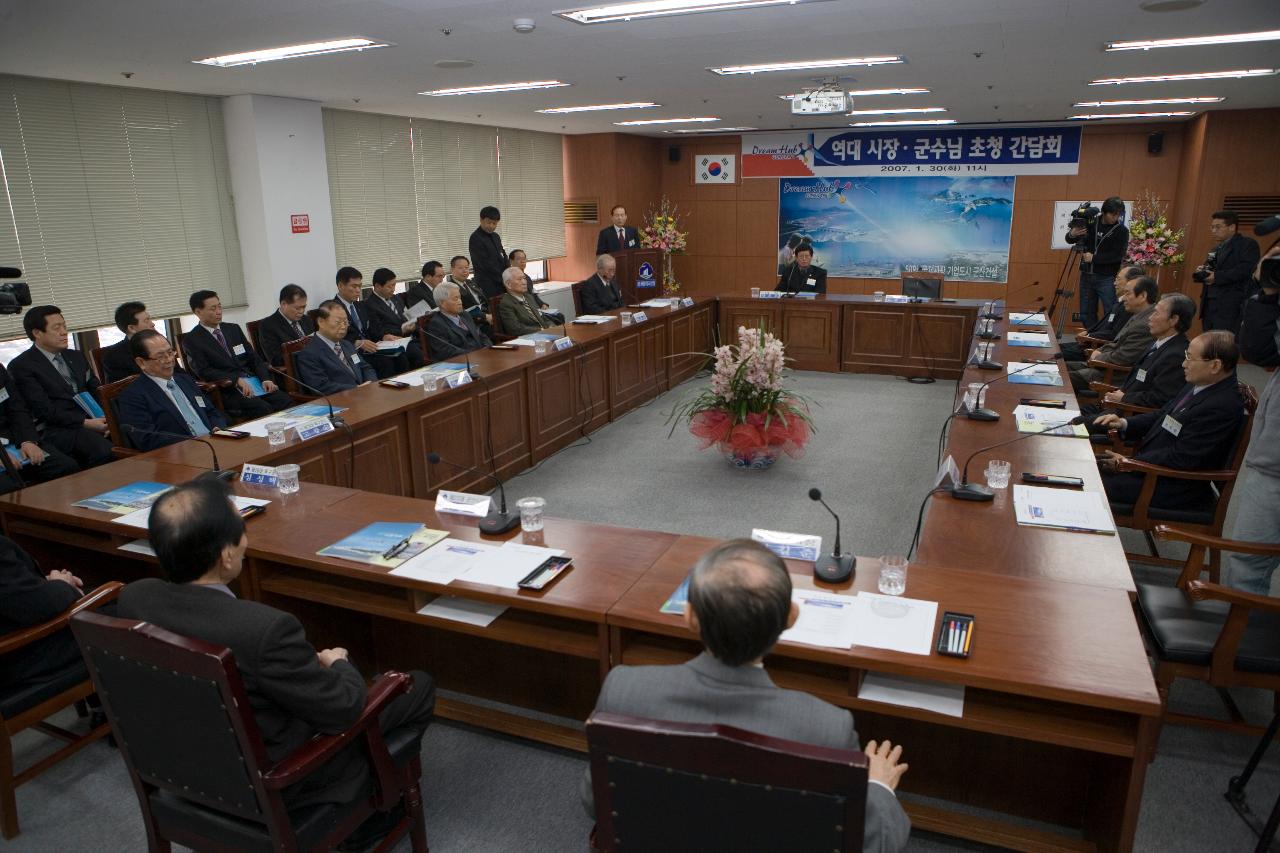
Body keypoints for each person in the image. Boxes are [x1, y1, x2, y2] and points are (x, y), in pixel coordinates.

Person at [117, 478, 435, 824]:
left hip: (183, 769)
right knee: (415, 686)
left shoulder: (135, 599)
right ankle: (375, 809)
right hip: (278, 780)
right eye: (242, 531)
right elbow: (344, 709)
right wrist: (339, 664)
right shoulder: (263, 630)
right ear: (226, 556)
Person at [581, 539, 911, 852]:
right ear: (791, 618)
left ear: (689, 616)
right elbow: (871, 844)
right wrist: (879, 787)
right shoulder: (826, 727)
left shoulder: (623, 688)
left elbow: (595, 802)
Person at [1095, 330, 1246, 509]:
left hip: (1172, 485)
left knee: (1088, 483)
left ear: (1215, 366)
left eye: (1190, 358)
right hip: (1152, 468)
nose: (1183, 364)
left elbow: (1182, 457)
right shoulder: (1200, 384)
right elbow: (1163, 415)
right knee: (1086, 465)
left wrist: (1130, 464)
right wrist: (1124, 423)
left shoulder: (1221, 405)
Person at [1224, 242, 1280, 594]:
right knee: (1247, 561)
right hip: (1271, 461)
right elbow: (1258, 350)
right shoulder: (1270, 303)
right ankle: (1239, 638)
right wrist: (1269, 292)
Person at [10, 305, 114, 469]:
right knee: (105, 451)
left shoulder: (76, 356)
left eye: (64, 326)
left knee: (129, 435)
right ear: (37, 333)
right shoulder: (22, 366)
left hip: (93, 419)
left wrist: (108, 418)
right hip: (58, 428)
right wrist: (86, 423)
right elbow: (44, 410)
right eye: (56, 328)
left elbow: (95, 389)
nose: (64, 332)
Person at [0, 535, 91, 702]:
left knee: (95, 592)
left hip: (15, 639)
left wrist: (45, 583)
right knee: (125, 609)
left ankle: (102, 709)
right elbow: (35, 605)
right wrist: (63, 584)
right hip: (21, 658)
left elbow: (9, 591)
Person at [181, 290, 294, 420]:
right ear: (198, 312)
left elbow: (253, 358)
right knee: (262, 408)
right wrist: (235, 379)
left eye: (219, 306)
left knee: (284, 400)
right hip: (229, 389)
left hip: (255, 383)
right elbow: (204, 371)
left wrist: (265, 379)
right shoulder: (192, 340)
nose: (219, 311)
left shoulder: (232, 329)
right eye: (213, 309)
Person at [1084, 293, 1195, 425]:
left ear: (1173, 320)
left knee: (1075, 423)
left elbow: (1160, 398)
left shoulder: (1176, 355)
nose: (1150, 318)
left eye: (1156, 313)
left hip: (1128, 416)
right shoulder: (1158, 343)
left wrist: (1125, 397)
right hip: (1115, 405)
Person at [116, 330, 228, 451]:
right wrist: (193, 444)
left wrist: (218, 428)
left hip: (215, 443)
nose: (169, 359)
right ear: (141, 362)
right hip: (181, 454)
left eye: (170, 352)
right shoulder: (133, 396)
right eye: (160, 356)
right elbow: (147, 439)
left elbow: (211, 412)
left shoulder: (185, 380)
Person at [1067, 275, 1158, 392]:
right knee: (1058, 367)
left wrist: (1099, 356)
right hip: (1103, 366)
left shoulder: (1145, 324)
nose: (1123, 298)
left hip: (1113, 375)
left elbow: (1123, 357)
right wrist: (1100, 350)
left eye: (1127, 294)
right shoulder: (1138, 315)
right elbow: (1116, 342)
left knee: (1061, 377)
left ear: (1143, 296)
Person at [0, 362, 79, 494]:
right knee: (8, 488)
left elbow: (17, 409)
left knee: (65, 466)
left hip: (13, 439)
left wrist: (28, 440)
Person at [1065, 197, 1130, 327]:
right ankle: (1089, 341)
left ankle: (1105, 341)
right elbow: (1069, 239)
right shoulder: (1091, 222)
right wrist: (1072, 233)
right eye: (1113, 214)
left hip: (1107, 277)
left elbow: (1117, 255)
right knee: (1086, 313)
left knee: (1110, 311)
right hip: (1086, 275)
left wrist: (1094, 258)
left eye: (1119, 214)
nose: (1116, 217)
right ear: (1104, 212)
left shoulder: (1122, 231)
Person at [333, 266, 408, 379]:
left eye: (360, 286)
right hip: (352, 352)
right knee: (385, 362)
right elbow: (332, 336)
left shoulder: (360, 306)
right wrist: (356, 342)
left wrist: (383, 336)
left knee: (401, 355)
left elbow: (372, 329)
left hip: (372, 348)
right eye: (354, 286)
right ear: (341, 286)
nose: (358, 290)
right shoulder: (332, 308)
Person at [1059, 266, 1143, 362]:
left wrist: (1090, 335)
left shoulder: (1128, 307)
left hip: (1096, 348)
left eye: (1118, 279)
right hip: (1089, 343)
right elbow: (1103, 324)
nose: (1114, 283)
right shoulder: (1119, 302)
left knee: (1055, 354)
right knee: (1056, 348)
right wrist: (1088, 332)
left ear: (1131, 282)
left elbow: (1114, 334)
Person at [1197, 210, 1261, 333]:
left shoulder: (1247, 244)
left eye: (1218, 227)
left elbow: (1246, 269)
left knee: (1225, 344)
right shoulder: (1215, 249)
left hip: (1230, 304)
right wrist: (1203, 271)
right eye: (1212, 227)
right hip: (1209, 304)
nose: (1213, 231)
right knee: (1208, 345)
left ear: (1232, 227)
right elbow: (1211, 269)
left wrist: (1217, 277)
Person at [294, 300, 378, 394]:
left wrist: (371, 383)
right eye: (338, 322)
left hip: (365, 393)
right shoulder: (309, 354)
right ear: (321, 322)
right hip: (340, 401)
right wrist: (356, 389)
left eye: (346, 322)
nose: (343, 327)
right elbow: (321, 386)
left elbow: (365, 367)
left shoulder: (347, 344)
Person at [363, 267, 425, 368]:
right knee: (417, 355)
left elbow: (404, 317)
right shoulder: (370, 305)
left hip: (408, 338)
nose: (393, 290)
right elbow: (377, 331)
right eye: (390, 286)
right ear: (378, 286)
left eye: (394, 285)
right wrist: (402, 330)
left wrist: (411, 323)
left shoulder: (396, 298)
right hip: (393, 343)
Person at [423, 282, 492, 361]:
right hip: (463, 363)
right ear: (442, 303)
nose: (460, 302)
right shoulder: (437, 324)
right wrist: (475, 355)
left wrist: (487, 348)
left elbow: (480, 335)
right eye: (455, 299)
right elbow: (446, 352)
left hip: (483, 356)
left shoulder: (465, 315)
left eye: (460, 298)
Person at [256, 284, 316, 368]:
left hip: (315, 365)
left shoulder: (306, 320)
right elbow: (276, 360)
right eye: (297, 308)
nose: (301, 311)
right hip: (294, 371)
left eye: (304, 307)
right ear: (284, 304)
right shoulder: (268, 325)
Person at [100, 301, 156, 382]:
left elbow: (178, 374)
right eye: (146, 321)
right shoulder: (114, 356)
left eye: (150, 319)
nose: (152, 324)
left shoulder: (161, 344)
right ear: (131, 328)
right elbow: (121, 389)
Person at [446, 255, 496, 339]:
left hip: (487, 316)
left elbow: (483, 301)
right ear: (452, 270)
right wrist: (485, 316)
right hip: (473, 322)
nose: (465, 270)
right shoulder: (450, 288)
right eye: (460, 268)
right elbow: (460, 311)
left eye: (466, 267)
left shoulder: (471, 283)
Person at [509, 249, 564, 324]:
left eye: (524, 259)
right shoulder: (510, 279)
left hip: (537, 309)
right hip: (526, 311)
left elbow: (534, 294)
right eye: (518, 259)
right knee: (553, 321)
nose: (522, 261)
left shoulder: (527, 277)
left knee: (559, 316)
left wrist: (542, 304)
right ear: (511, 261)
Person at [498, 267, 555, 336]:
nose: (524, 282)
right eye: (519, 279)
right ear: (508, 284)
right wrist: (541, 330)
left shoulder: (529, 297)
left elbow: (543, 317)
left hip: (546, 334)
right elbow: (515, 329)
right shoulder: (506, 303)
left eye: (524, 278)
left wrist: (551, 326)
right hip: (529, 338)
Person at [468, 205, 508, 299]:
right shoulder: (475, 238)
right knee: (495, 310)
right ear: (481, 220)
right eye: (488, 222)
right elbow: (484, 264)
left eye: (494, 223)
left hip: (501, 280)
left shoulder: (496, 236)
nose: (491, 226)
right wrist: (503, 278)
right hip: (487, 283)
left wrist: (508, 271)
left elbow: (502, 254)